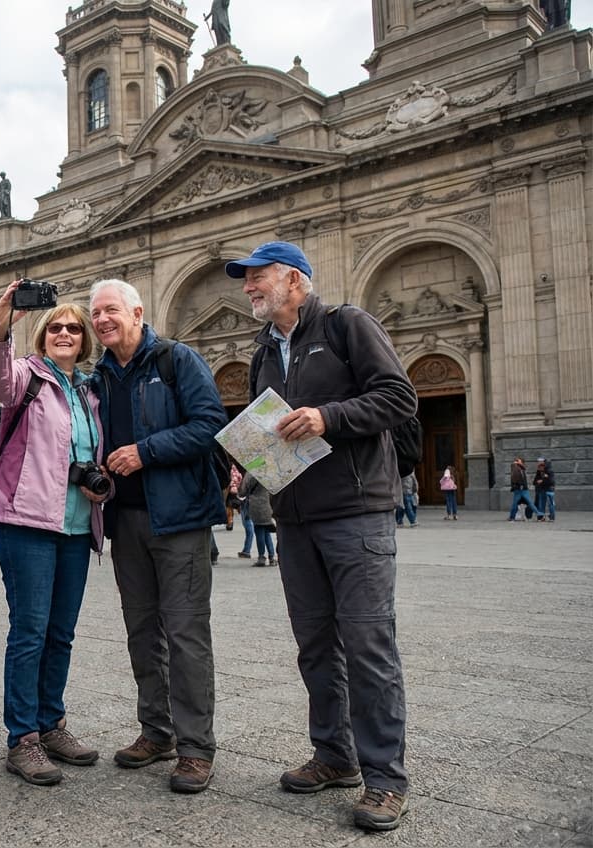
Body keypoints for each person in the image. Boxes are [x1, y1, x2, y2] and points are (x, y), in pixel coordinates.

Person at [229, 240, 418, 831]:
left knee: (367, 646)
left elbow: (398, 397)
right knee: (315, 645)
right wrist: (251, 459)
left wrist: (327, 416)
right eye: (247, 280)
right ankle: (335, 757)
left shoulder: (347, 326)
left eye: (258, 278)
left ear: (296, 280)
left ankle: (385, 778)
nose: (248, 287)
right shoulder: (265, 350)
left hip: (355, 512)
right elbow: (273, 429)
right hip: (296, 517)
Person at [88, 277, 226, 793]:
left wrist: (146, 451)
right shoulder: (96, 377)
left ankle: (195, 749)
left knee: (187, 635)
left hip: (181, 520)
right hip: (125, 522)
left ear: (138, 312)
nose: (102, 320)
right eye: (96, 312)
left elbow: (211, 423)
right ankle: (156, 731)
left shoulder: (176, 360)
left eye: (111, 311)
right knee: (142, 631)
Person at [0, 280, 107, 787]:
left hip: (77, 525)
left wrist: (103, 484)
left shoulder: (89, 391)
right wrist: (1, 322)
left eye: (74, 328)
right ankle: (22, 737)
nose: (64, 333)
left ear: (84, 339)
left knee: (61, 632)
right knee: (29, 631)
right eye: (55, 326)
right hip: (26, 521)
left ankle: (52, 722)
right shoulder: (25, 378)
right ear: (41, 335)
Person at [241, 472, 277, 566]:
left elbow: (243, 491)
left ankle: (261, 557)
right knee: (266, 532)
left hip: (256, 505)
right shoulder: (268, 472)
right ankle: (272, 557)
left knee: (259, 531)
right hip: (268, 504)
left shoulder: (251, 473)